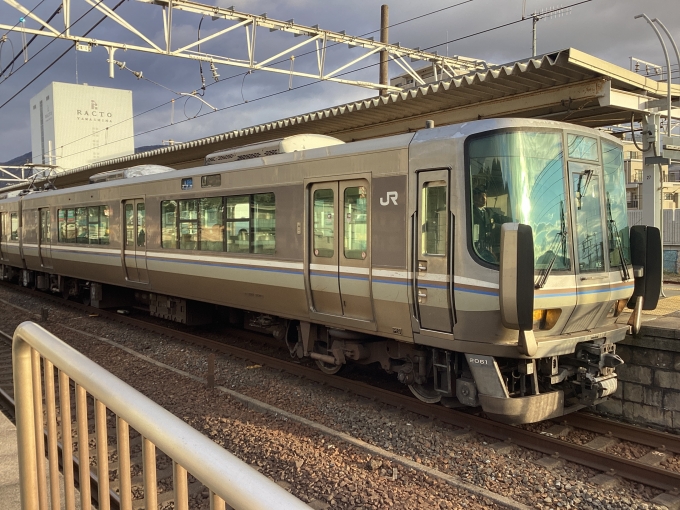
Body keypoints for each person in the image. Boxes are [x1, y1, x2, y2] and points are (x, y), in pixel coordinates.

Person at [472, 187, 499, 263]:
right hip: (474, 252)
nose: (484, 199)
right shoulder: (470, 212)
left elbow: (500, 218)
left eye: (485, 196)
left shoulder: (488, 212)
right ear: (474, 197)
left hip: (487, 249)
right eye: (481, 196)